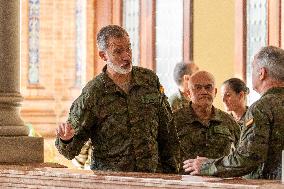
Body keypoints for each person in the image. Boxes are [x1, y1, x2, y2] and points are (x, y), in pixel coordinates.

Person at [55, 25, 179, 173]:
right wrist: (66, 139)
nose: (126, 56)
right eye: (118, 51)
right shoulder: (94, 93)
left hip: (151, 177)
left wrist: (172, 172)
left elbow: (168, 131)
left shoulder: (149, 80)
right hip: (112, 180)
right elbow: (69, 151)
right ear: (103, 55)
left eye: (129, 49)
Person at [183, 46, 284, 179]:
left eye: (252, 68)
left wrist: (206, 166)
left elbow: (247, 158)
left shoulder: (261, 108)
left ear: (262, 73)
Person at [174, 71, 240, 174]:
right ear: (188, 94)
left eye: (208, 87)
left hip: (220, 184)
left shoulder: (229, 121)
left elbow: (240, 157)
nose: (204, 91)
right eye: (198, 87)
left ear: (215, 92)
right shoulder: (174, 121)